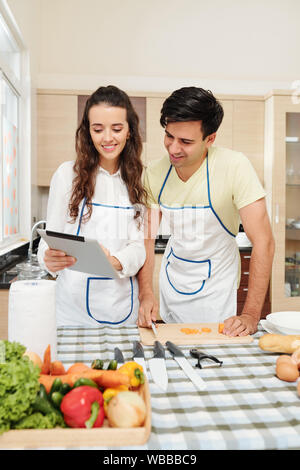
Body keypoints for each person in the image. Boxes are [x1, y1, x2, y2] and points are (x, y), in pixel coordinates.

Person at [138, 86, 275, 337]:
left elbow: (264, 241)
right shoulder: (154, 173)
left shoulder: (234, 167)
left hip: (216, 289)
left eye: (186, 142)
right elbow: (146, 239)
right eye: (169, 136)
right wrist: (146, 293)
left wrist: (250, 315)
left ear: (210, 139)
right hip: (174, 283)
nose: (173, 149)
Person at [38, 85, 147, 327]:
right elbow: (49, 240)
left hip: (122, 307)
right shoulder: (67, 175)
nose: (108, 138)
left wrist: (115, 262)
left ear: (129, 131)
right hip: (72, 312)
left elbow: (139, 247)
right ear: (88, 132)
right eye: (98, 129)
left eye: (117, 128)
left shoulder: (140, 180)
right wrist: (48, 259)